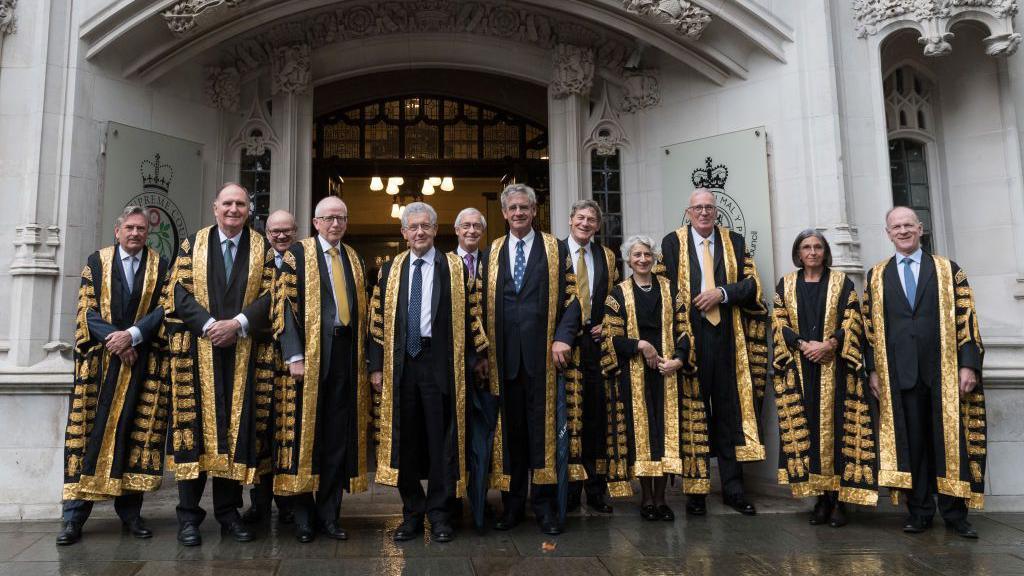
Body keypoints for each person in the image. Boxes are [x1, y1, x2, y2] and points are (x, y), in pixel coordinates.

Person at [862, 206, 985, 539]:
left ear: (920, 229)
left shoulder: (947, 270)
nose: (902, 231)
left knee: (948, 446)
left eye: (908, 225)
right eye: (896, 227)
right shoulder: (876, 275)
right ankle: (919, 512)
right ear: (887, 233)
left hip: (942, 373)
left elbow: (967, 318)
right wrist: (872, 370)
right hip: (899, 375)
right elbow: (869, 328)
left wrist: (968, 363)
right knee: (911, 445)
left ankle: (956, 515)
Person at [368, 202, 487, 543]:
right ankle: (411, 514)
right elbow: (376, 322)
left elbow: (472, 315)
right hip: (401, 365)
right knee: (405, 441)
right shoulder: (389, 270)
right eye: (413, 227)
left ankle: (439, 514)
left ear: (436, 230)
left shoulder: (454, 267)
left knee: (441, 442)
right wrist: (376, 368)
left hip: (441, 364)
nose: (419, 232)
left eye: (425, 226)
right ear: (404, 233)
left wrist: (478, 356)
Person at [165, 183, 276, 546]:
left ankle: (229, 515)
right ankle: (188, 519)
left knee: (234, 432)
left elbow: (273, 294)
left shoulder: (262, 247)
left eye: (240, 204)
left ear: (249, 208)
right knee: (193, 434)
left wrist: (239, 323)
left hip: (244, 354)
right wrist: (212, 325)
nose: (233, 209)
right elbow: (177, 293)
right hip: (199, 354)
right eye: (227, 203)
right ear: (215, 207)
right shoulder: (191, 244)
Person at [57, 206, 170, 545]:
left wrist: (133, 335)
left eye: (141, 229)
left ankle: (131, 515)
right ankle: (73, 518)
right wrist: (117, 341)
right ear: (117, 231)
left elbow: (164, 309)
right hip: (101, 365)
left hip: (141, 363)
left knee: (135, 434)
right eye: (130, 228)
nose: (135, 233)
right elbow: (85, 310)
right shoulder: (96, 263)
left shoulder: (159, 266)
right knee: (87, 436)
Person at [660, 188, 768, 517]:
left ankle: (733, 489)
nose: (704, 213)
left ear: (715, 211)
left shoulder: (733, 242)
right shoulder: (671, 242)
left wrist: (721, 293)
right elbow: (664, 290)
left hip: (727, 340)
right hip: (690, 341)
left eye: (709, 207)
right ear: (689, 212)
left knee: (728, 415)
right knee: (694, 416)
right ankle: (696, 491)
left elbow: (753, 286)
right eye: (698, 208)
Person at [480, 183, 581, 535]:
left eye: (525, 208)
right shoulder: (492, 252)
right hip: (503, 359)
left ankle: (544, 507)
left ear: (535, 211)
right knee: (510, 435)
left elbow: (573, 298)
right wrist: (481, 351)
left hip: (542, 358)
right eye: (513, 209)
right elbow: (477, 305)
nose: (519, 213)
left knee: (543, 435)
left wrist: (562, 338)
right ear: (505, 213)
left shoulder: (555, 248)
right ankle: (511, 507)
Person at [274, 196, 371, 543]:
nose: (335, 224)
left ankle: (330, 515)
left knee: (336, 440)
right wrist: (294, 356)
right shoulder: (297, 255)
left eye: (341, 218)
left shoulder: (354, 258)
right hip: (310, 359)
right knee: (305, 438)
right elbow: (283, 306)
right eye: (328, 218)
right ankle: (303, 517)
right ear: (315, 222)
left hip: (346, 357)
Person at [771, 230, 877, 528]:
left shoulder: (841, 283)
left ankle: (840, 501)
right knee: (810, 432)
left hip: (836, 367)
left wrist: (830, 344)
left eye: (818, 247)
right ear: (798, 252)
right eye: (806, 247)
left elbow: (853, 319)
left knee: (839, 432)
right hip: (801, 368)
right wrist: (803, 345)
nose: (813, 252)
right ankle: (821, 500)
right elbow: (778, 320)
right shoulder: (787, 284)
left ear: (825, 251)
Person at [600, 236, 711, 521]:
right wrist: (641, 345)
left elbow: (685, 330)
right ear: (628, 259)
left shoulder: (671, 289)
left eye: (647, 254)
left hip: (667, 373)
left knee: (665, 435)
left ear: (654, 257)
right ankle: (646, 500)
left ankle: (661, 500)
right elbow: (611, 338)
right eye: (636, 255)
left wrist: (678, 359)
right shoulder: (618, 294)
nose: (642, 259)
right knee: (642, 435)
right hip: (634, 374)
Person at [561, 200, 619, 514]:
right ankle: (568, 491)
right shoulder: (554, 252)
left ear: (597, 226)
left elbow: (614, 299)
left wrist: (606, 325)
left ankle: (596, 490)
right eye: (580, 218)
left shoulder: (606, 256)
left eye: (591, 219)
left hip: (596, 345)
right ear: (570, 221)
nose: (585, 223)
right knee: (569, 419)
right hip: (564, 346)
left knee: (597, 417)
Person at [241, 210, 298, 527]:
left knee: (289, 431)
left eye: (286, 230)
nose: (280, 236)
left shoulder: (303, 262)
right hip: (258, 358)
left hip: (293, 364)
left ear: (296, 231)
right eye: (275, 231)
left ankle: (289, 502)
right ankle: (259, 503)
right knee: (259, 432)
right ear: (266, 232)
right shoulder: (256, 263)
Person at [452, 207, 494, 532]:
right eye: (465, 225)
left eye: (476, 226)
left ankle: (482, 501)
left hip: (491, 367)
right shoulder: (444, 264)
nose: (471, 230)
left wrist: (486, 357)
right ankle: (451, 501)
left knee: (485, 437)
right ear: (456, 230)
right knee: (453, 437)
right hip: (453, 368)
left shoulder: (494, 263)